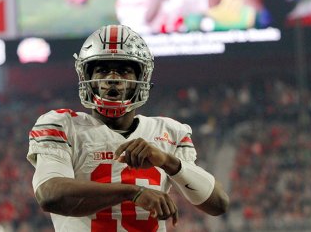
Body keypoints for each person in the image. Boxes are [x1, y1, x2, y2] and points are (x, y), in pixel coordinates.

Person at [27, 24, 229, 231]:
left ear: (141, 78)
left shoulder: (169, 132)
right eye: (102, 70)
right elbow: (49, 194)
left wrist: (167, 161)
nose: (113, 79)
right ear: (87, 77)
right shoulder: (62, 125)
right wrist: (133, 192)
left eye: (124, 71)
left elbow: (218, 204)